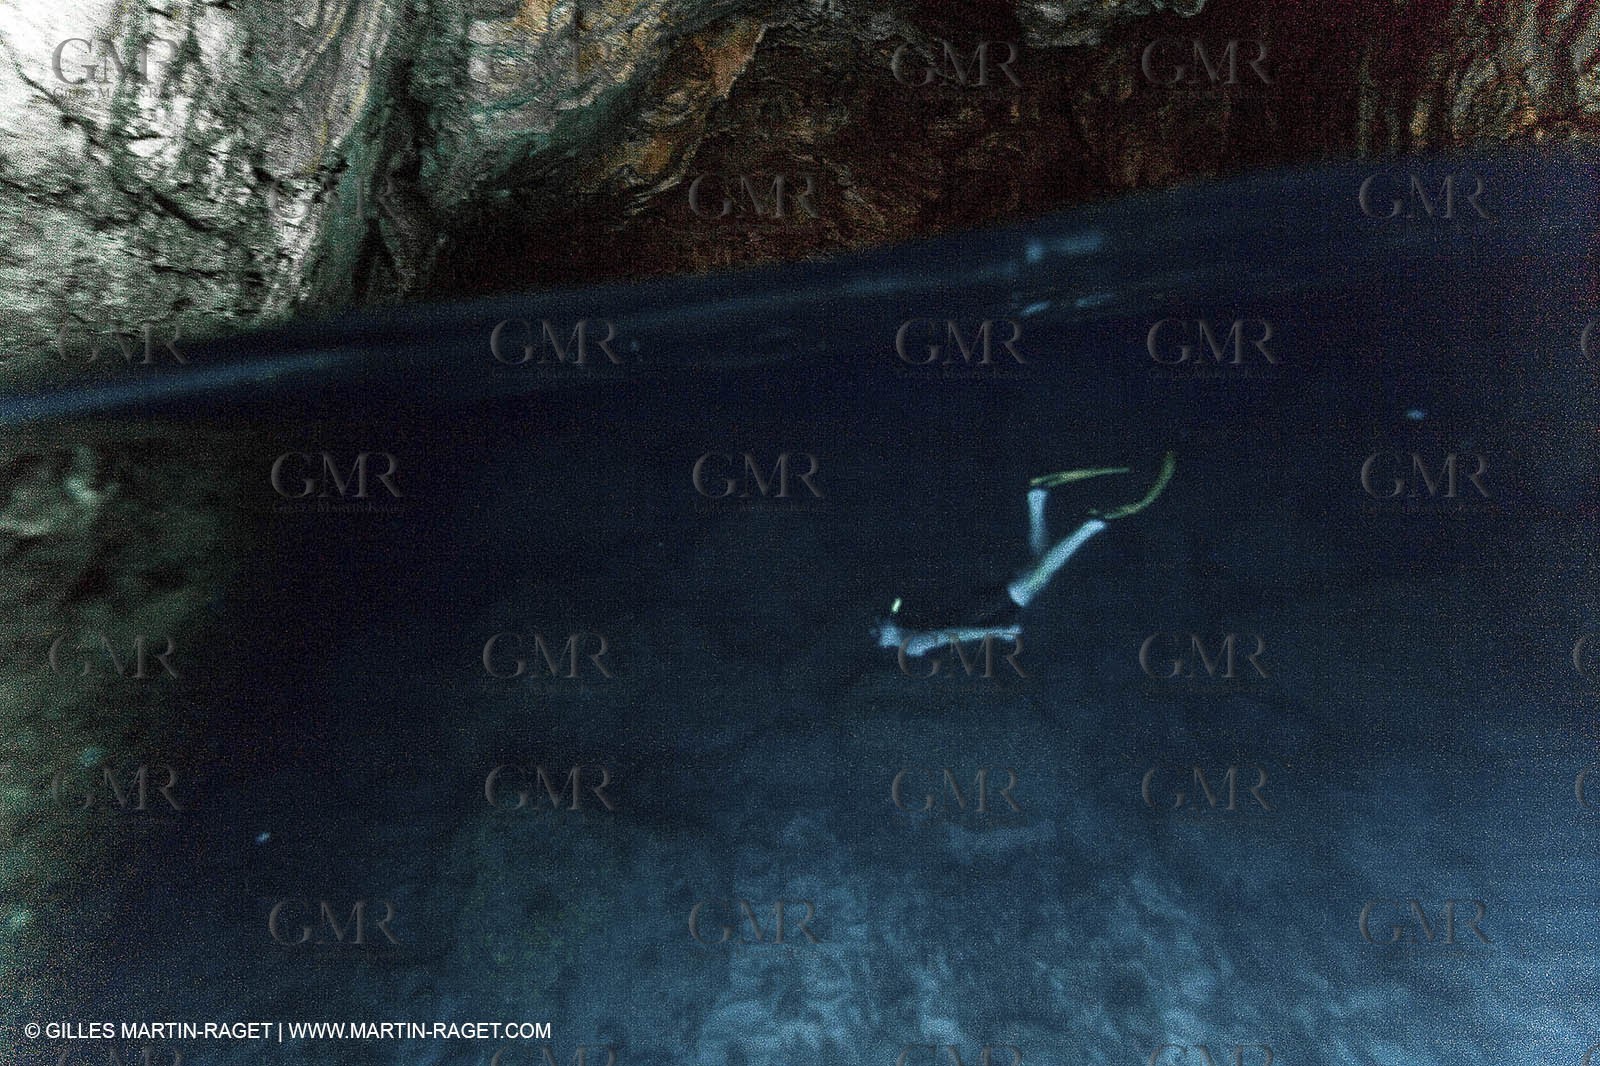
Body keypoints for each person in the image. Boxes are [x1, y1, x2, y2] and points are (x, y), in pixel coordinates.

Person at [874, 452, 1176, 657]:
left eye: (876, 627)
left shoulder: (906, 634)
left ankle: (1091, 523)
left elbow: (951, 634)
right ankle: (1039, 498)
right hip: (983, 605)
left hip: (988, 610)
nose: (878, 626)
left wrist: (997, 632)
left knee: (1041, 573)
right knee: (1040, 571)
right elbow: (944, 624)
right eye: (876, 630)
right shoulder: (902, 625)